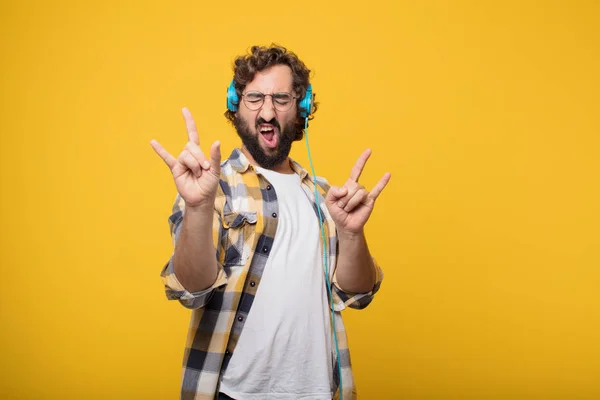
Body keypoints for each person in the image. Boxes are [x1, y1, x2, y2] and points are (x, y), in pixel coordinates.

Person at [150, 44, 391, 400]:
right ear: (236, 104)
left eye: (281, 98)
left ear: (302, 108)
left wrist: (352, 234)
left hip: (320, 392)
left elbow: (357, 294)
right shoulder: (211, 187)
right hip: (235, 394)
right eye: (254, 98)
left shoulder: (325, 197)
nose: (267, 111)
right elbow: (191, 289)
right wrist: (199, 208)